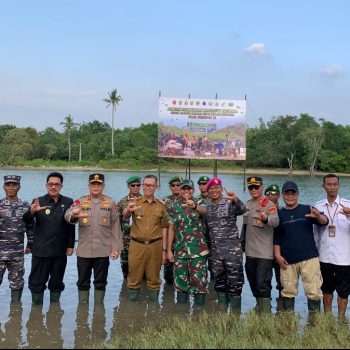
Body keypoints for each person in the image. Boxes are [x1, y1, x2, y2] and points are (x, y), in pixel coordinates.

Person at [65, 173, 123, 304]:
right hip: (84, 251)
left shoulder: (110, 203)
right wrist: (74, 215)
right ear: (88, 185)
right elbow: (67, 215)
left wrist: (115, 248)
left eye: (99, 184)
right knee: (82, 282)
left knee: (101, 282)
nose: (96, 187)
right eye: (93, 184)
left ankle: (98, 309)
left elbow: (115, 227)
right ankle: (82, 311)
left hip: (102, 251)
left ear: (103, 186)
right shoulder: (80, 201)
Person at [274, 180, 328, 314]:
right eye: (287, 193)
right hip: (287, 260)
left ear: (297, 194)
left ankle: (314, 321)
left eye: (293, 193)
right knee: (287, 291)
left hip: (309, 258)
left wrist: (318, 216)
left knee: (313, 291)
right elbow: (277, 237)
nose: (290, 196)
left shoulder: (307, 209)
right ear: (282, 195)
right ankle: (288, 320)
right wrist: (277, 255)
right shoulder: (279, 214)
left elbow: (324, 222)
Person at [23, 172, 75, 305]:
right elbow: (26, 220)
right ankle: (36, 314)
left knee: (57, 283)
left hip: (59, 251)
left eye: (57, 184)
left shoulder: (68, 202)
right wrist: (32, 211)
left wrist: (70, 246)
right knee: (36, 283)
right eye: (50, 184)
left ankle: (54, 312)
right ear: (46, 185)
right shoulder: (38, 201)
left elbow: (71, 225)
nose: (53, 187)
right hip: (41, 250)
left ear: (61, 186)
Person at [204, 178, 246, 313]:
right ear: (208, 191)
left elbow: (243, 209)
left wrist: (236, 199)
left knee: (235, 284)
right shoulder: (208, 206)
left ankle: (235, 316)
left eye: (217, 188)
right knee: (219, 284)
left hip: (232, 252)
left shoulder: (230, 203)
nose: (214, 190)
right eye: (211, 188)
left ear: (221, 189)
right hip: (216, 253)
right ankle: (222, 314)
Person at [123, 175, 168, 302]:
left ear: (156, 187)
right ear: (142, 186)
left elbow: (164, 227)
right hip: (137, 245)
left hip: (155, 246)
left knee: (154, 279)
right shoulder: (134, 202)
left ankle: (153, 311)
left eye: (151, 185)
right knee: (134, 278)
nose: (148, 187)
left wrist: (164, 250)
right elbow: (125, 216)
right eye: (146, 185)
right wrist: (128, 209)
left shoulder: (161, 205)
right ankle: (133, 311)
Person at [167, 179, 209, 305]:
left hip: (198, 252)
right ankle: (182, 315)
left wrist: (194, 206)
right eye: (183, 188)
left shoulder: (200, 202)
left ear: (193, 190)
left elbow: (205, 211)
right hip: (180, 252)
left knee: (199, 284)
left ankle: (199, 315)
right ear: (180, 190)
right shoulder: (174, 206)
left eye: (189, 189)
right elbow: (171, 228)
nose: (186, 191)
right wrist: (169, 249)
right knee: (181, 284)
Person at [313, 174, 350, 318]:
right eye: (329, 184)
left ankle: (341, 318)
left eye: (335, 184)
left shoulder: (348, 205)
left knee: (343, 291)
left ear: (339, 186)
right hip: (324, 256)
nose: (332, 187)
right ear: (324, 187)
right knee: (326, 290)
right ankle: (328, 318)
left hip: (344, 257)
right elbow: (314, 232)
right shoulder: (318, 206)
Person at [243, 176, 279, 312]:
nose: (253, 190)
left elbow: (275, 221)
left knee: (263, 284)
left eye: (256, 187)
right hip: (250, 252)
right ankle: (259, 309)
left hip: (264, 254)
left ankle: (265, 313)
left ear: (262, 187)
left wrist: (265, 219)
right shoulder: (247, 205)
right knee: (253, 283)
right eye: (250, 187)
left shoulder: (268, 204)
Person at [0, 175, 34, 303]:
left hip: (17, 253)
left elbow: (31, 227)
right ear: (4, 187)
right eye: (8, 185)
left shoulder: (26, 206)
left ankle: (15, 312)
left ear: (19, 187)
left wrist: (30, 244)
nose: (11, 187)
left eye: (14, 185)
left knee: (17, 283)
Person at [117, 176, 142, 279]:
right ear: (128, 186)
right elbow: (117, 222)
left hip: (140, 238)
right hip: (126, 238)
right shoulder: (122, 202)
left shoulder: (145, 201)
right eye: (133, 185)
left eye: (138, 185)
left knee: (141, 267)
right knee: (125, 266)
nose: (136, 187)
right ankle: (126, 291)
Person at [163, 175, 183, 285]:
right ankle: (168, 298)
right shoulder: (164, 201)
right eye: (173, 185)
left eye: (178, 185)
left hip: (183, 240)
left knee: (184, 271)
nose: (176, 187)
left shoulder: (187, 200)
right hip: (168, 239)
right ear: (170, 187)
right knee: (168, 270)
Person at [264, 184, 282, 297]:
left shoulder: (283, 211)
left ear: (279, 195)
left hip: (281, 251)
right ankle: (265, 308)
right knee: (265, 280)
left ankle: (283, 309)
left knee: (283, 282)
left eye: (273, 193)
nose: (270, 195)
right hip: (265, 250)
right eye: (268, 193)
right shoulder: (262, 211)